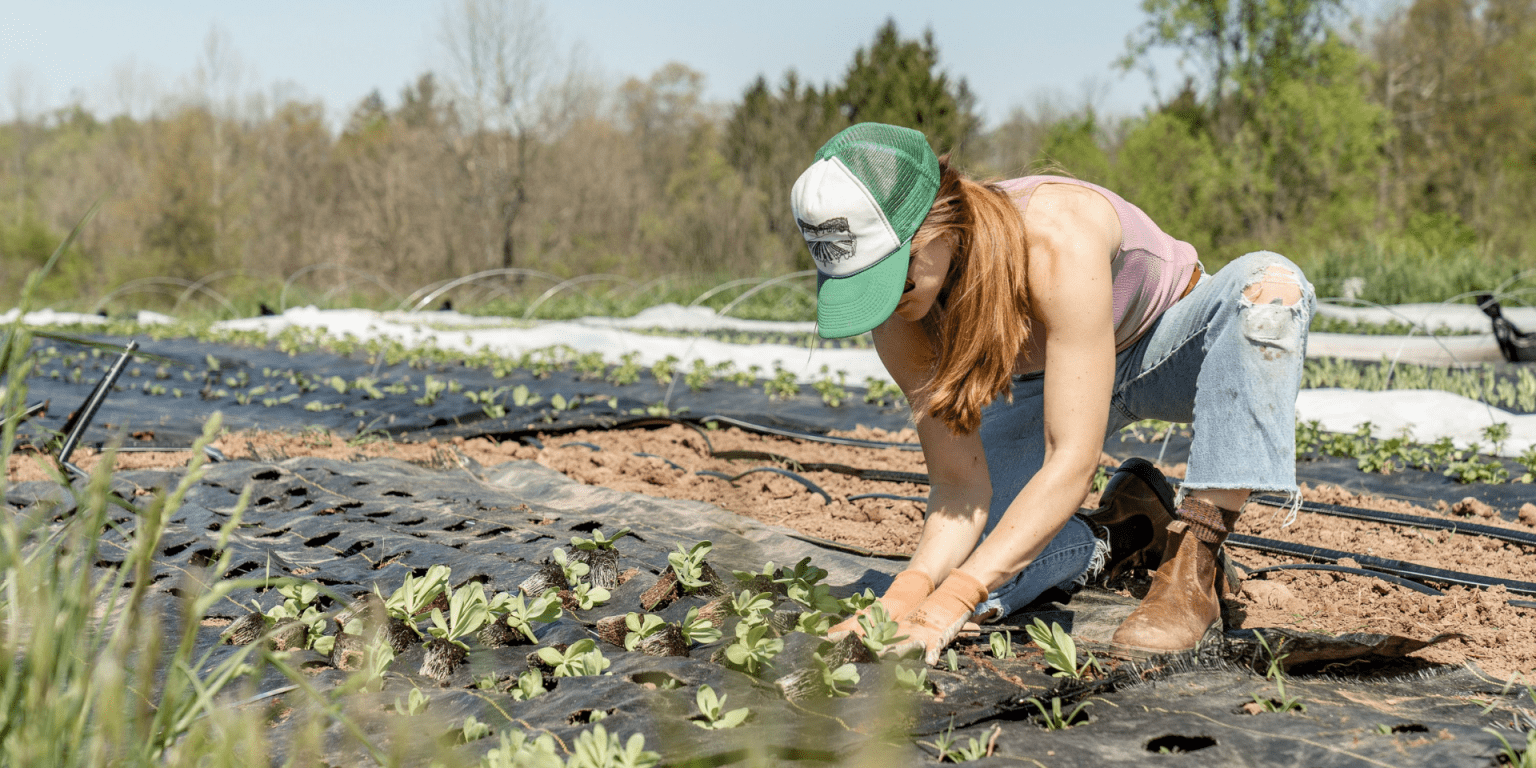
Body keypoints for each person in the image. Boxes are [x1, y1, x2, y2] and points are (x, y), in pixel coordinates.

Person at [792, 122, 1314, 664]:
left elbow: (1072, 460)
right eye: (862, 286)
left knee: (1271, 290)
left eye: (891, 277)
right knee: (981, 560)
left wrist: (955, 600)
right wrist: (907, 596)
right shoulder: (900, 314)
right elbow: (959, 488)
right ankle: (1122, 530)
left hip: (1166, 348)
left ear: (939, 223)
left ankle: (1194, 562)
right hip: (1051, 382)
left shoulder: (1054, 236)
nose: (888, 302)